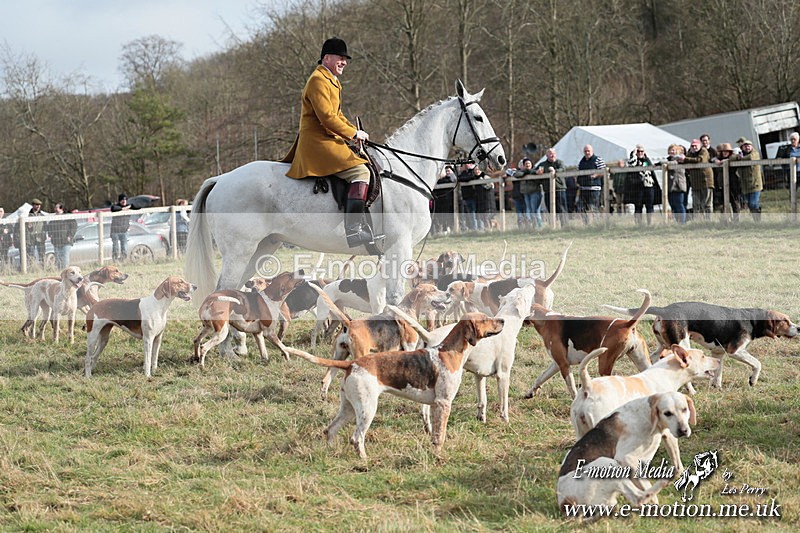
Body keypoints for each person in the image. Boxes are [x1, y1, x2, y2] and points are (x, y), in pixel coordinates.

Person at [280, 37, 380, 249]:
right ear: (326, 58)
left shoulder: (330, 80)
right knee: (361, 172)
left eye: (345, 59)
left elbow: (338, 115)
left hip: (329, 138)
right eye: (340, 58)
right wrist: (353, 133)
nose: (344, 62)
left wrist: (356, 133)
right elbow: (327, 118)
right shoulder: (318, 80)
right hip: (318, 141)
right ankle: (354, 229)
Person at [534, 148, 567, 227]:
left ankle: (565, 226)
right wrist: (537, 172)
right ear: (546, 155)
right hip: (547, 190)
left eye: (554, 153)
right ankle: (553, 226)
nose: (552, 155)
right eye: (550, 154)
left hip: (559, 189)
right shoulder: (542, 164)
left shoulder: (559, 162)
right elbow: (533, 170)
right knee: (550, 209)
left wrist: (554, 171)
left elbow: (562, 169)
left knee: (561, 209)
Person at [682, 138, 713, 220]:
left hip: (706, 180)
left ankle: (708, 220)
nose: (694, 147)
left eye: (696, 145)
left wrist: (685, 159)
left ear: (700, 145)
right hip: (695, 181)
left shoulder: (704, 151)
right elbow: (685, 161)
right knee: (696, 203)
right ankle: (697, 220)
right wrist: (685, 159)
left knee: (707, 203)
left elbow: (700, 160)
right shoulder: (690, 153)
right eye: (692, 146)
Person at [626, 145, 656, 225]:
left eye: (641, 151)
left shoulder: (647, 160)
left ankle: (650, 224)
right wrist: (633, 154)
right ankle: (638, 224)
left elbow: (651, 170)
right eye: (638, 151)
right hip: (637, 186)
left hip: (648, 185)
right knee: (638, 206)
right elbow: (631, 165)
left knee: (649, 206)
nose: (640, 153)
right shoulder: (634, 160)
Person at [577, 144, 605, 224]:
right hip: (583, 189)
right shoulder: (581, 161)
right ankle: (586, 224)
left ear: (592, 151)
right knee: (581, 208)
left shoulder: (598, 159)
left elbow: (604, 171)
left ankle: (597, 224)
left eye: (588, 151)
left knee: (593, 208)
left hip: (594, 189)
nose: (587, 152)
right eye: (585, 151)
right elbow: (577, 172)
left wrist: (596, 175)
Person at [736, 139, 763, 221]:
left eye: (748, 146)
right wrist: (738, 157)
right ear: (742, 147)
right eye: (745, 146)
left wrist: (740, 158)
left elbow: (751, 158)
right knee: (749, 204)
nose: (747, 147)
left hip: (755, 184)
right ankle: (756, 220)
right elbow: (733, 158)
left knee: (753, 203)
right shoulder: (740, 154)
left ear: (751, 146)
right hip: (745, 185)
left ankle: (757, 220)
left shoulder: (755, 153)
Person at [712, 142, 740, 219]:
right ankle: (725, 219)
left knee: (735, 202)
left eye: (727, 151)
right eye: (723, 151)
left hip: (733, 183)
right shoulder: (718, 159)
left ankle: (736, 220)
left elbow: (735, 157)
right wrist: (715, 160)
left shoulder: (733, 157)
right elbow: (711, 159)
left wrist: (726, 160)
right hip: (722, 184)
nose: (725, 153)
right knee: (723, 203)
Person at [46, 202, 78, 269]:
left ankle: (65, 270)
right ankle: (59, 270)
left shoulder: (68, 217)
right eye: (55, 207)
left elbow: (74, 227)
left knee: (65, 257)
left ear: (61, 209)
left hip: (66, 242)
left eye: (57, 207)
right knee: (58, 258)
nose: (55, 209)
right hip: (56, 242)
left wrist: (70, 236)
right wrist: (50, 234)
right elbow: (50, 227)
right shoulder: (54, 219)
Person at [110, 194, 140, 261]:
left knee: (124, 248)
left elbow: (138, 207)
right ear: (119, 201)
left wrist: (130, 206)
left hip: (124, 231)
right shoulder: (116, 206)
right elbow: (113, 208)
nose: (124, 201)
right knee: (115, 248)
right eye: (122, 200)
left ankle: (123, 261)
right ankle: (115, 261)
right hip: (115, 231)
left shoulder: (129, 206)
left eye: (125, 200)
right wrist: (124, 209)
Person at [515, 158, 541, 229]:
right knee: (529, 210)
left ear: (531, 164)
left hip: (535, 192)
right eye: (526, 164)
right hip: (526, 193)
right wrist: (526, 172)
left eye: (529, 163)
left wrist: (531, 172)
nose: (528, 165)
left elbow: (538, 176)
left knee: (535, 210)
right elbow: (516, 174)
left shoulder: (536, 170)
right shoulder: (521, 171)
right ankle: (532, 227)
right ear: (523, 165)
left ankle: (539, 227)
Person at [665, 144, 687, 224]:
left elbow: (673, 163)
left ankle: (682, 223)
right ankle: (677, 222)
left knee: (679, 204)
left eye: (673, 150)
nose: (671, 151)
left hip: (678, 185)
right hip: (670, 186)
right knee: (673, 205)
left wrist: (662, 163)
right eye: (670, 150)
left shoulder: (680, 158)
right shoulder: (668, 159)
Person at [457, 163, 483, 231]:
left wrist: (466, 178)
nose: (467, 165)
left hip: (474, 196)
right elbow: (460, 178)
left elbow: (470, 177)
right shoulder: (463, 173)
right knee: (470, 214)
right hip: (466, 196)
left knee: (475, 213)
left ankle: (478, 228)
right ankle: (474, 228)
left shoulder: (473, 172)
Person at [433, 165, 457, 234]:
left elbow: (453, 180)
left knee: (448, 215)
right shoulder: (439, 180)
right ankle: (442, 229)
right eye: (446, 171)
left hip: (450, 200)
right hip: (441, 200)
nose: (447, 172)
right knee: (440, 215)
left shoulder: (451, 178)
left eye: (448, 171)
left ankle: (448, 228)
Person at [26, 199, 47, 267]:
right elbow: (25, 228)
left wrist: (44, 234)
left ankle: (42, 268)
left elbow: (45, 227)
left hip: (40, 238)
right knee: (31, 255)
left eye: (39, 205)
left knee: (42, 255)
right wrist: (28, 227)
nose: (38, 206)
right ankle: (31, 268)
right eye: (36, 205)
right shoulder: (28, 215)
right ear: (33, 205)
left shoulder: (42, 216)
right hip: (31, 239)